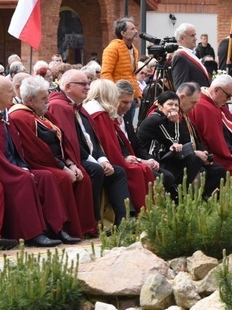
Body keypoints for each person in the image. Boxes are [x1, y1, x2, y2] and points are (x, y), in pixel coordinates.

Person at [0, 76, 62, 248]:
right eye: (10, 91)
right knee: (24, 180)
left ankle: (55, 228)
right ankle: (32, 234)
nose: (14, 94)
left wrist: (23, 166)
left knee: (46, 176)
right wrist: (18, 171)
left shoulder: (2, 114)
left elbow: (14, 147)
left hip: (12, 165)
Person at [9, 76, 95, 241]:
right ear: (30, 100)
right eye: (43, 99)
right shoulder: (20, 116)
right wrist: (62, 167)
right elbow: (35, 150)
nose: (47, 101)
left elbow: (63, 140)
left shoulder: (43, 114)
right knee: (61, 178)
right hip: (39, 163)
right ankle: (61, 228)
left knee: (81, 174)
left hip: (56, 162)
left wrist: (71, 163)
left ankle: (83, 228)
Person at [47, 69, 133, 225]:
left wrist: (103, 158)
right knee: (96, 170)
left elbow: (93, 140)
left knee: (118, 172)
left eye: (88, 83)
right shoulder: (59, 106)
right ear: (68, 87)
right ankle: (92, 222)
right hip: (74, 158)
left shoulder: (79, 107)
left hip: (88, 157)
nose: (88, 87)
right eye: (83, 84)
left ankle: (124, 221)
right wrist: (97, 161)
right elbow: (71, 143)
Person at [137, 89, 225, 197]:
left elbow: (179, 142)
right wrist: (175, 123)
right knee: (194, 160)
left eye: (176, 105)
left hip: (166, 157)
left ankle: (196, 198)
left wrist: (175, 123)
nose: (173, 108)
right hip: (153, 159)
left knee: (215, 169)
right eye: (170, 104)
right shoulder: (155, 119)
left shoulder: (170, 120)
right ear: (160, 106)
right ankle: (178, 194)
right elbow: (175, 143)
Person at [84, 79, 154, 211]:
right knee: (135, 170)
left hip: (99, 157)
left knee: (143, 168)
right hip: (98, 160)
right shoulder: (99, 114)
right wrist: (123, 160)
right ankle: (135, 212)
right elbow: (109, 145)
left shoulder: (95, 111)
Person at [115, 79, 175, 193]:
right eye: (124, 102)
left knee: (168, 176)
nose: (128, 107)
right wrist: (142, 161)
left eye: (130, 102)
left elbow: (136, 143)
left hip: (137, 158)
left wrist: (149, 159)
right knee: (161, 178)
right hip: (126, 161)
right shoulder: (110, 117)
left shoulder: (125, 116)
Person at [100, 18, 142, 110]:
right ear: (123, 33)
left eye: (135, 28)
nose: (136, 31)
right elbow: (106, 74)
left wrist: (137, 95)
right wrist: (114, 95)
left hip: (130, 97)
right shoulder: (112, 48)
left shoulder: (134, 50)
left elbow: (132, 75)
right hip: (117, 98)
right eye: (132, 29)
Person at [172, 23, 211, 88]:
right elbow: (181, 88)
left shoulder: (189, 54)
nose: (195, 39)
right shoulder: (180, 57)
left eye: (195, 35)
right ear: (182, 38)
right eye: (192, 35)